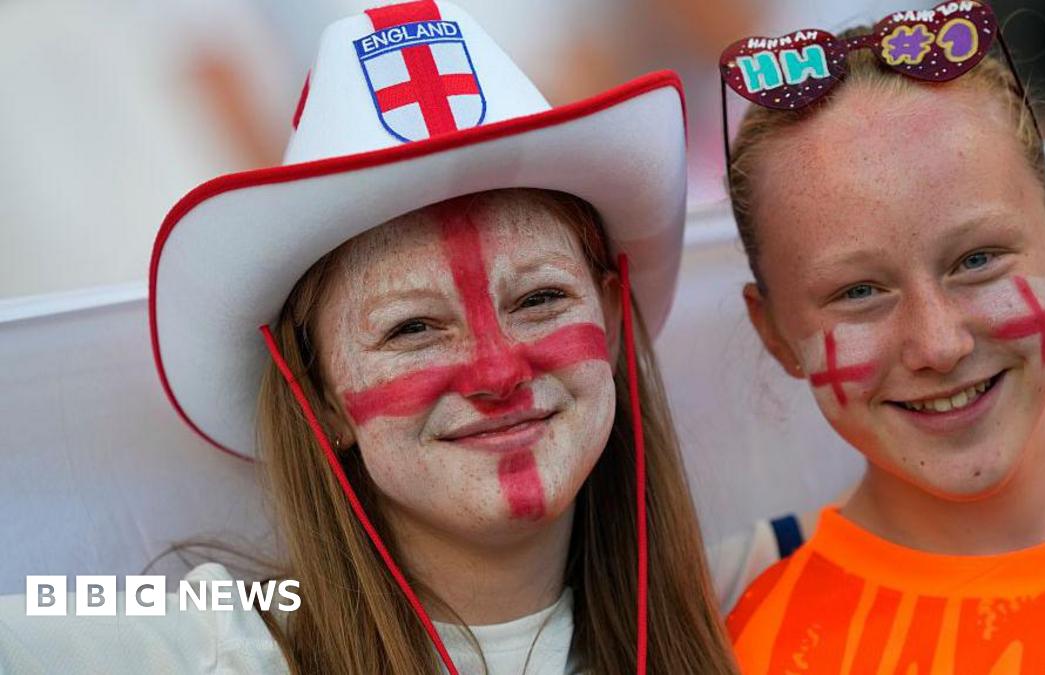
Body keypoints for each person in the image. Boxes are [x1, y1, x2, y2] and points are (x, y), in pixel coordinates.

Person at [0, 2, 737, 673]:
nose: (497, 370)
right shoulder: (214, 637)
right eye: (412, 327)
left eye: (541, 298)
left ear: (609, 320)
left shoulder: (750, 592)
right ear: (317, 392)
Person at [717, 2, 1045, 671]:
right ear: (773, 333)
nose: (938, 344)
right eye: (858, 292)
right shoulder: (752, 652)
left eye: (977, 260)